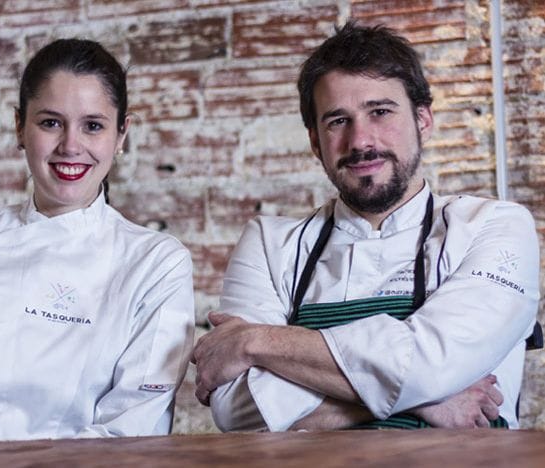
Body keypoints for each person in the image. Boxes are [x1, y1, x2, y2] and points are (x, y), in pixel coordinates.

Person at [191, 21, 540, 432]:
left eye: (380, 112)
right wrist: (427, 400)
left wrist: (254, 341)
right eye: (338, 121)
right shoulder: (270, 244)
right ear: (316, 143)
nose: (360, 141)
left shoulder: (494, 227)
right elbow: (236, 411)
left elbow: (431, 365)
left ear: (423, 119)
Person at [0, 39, 195, 448]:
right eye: (50, 122)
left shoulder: (157, 263)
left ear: (122, 134)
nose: (71, 146)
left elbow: (131, 427)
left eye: (93, 125)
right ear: (20, 127)